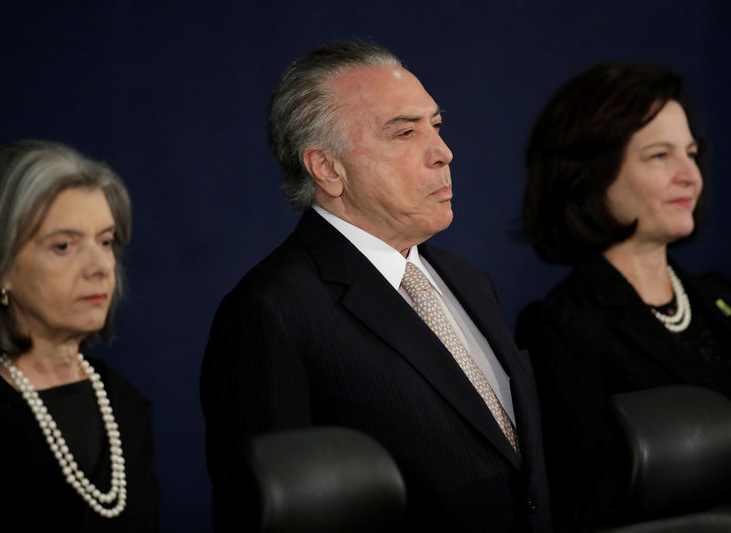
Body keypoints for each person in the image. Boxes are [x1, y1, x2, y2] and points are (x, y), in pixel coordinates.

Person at [201, 41, 551, 532]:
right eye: (405, 132)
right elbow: (269, 515)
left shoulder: (471, 283)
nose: (443, 152)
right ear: (327, 168)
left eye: (437, 126)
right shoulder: (270, 311)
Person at [516, 63, 731, 530]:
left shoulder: (725, 300)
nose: (690, 175)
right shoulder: (561, 327)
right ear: (592, 176)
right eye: (659, 156)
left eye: (691, 153)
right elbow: (585, 503)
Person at [0, 140, 159, 531]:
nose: (100, 266)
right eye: (64, 246)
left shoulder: (126, 405)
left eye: (105, 241)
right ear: (0, 265)